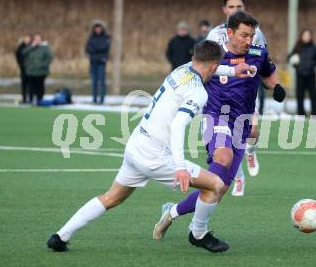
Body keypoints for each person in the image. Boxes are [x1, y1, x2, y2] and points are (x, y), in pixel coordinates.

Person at [47, 40, 231, 253]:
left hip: (136, 146)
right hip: (155, 157)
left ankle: (60, 236)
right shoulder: (199, 92)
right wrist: (180, 167)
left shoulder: (181, 69)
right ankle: (199, 234)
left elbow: (212, 66)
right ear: (214, 66)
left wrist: (236, 70)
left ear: (194, 58)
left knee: (112, 197)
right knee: (215, 185)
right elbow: (178, 125)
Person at [153, 12, 286, 240]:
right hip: (217, 117)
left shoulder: (258, 53)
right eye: (244, 35)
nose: (248, 40)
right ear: (230, 33)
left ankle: (173, 212)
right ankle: (198, 233)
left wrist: (277, 87)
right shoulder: (214, 55)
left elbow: (269, 75)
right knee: (222, 158)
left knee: (219, 189)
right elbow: (192, 72)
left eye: (251, 35)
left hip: (242, 124)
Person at [206, 0, 269, 195]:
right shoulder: (214, 35)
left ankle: (251, 151)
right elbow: (207, 63)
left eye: (239, 7)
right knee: (226, 145)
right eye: (231, 7)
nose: (235, 10)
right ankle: (238, 176)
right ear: (225, 10)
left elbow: (263, 58)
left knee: (252, 131)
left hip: (246, 89)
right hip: (222, 94)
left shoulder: (255, 32)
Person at [288, 29, 316, 116]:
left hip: (311, 75)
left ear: (310, 37)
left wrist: (311, 64)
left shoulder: (314, 48)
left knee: (313, 96)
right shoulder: (298, 47)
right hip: (300, 75)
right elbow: (290, 58)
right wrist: (295, 64)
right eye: (305, 35)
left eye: (308, 35)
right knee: (300, 95)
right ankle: (301, 114)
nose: (306, 37)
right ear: (302, 36)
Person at [22, 34, 53, 105]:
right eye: (35, 39)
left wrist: (43, 65)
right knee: (31, 87)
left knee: (40, 86)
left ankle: (40, 100)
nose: (37, 41)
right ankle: (30, 100)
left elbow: (49, 58)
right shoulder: (30, 47)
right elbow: (23, 53)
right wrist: (32, 47)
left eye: (38, 39)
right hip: (31, 71)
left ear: (41, 40)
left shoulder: (45, 48)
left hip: (41, 72)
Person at [85, 20, 111, 105]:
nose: (98, 30)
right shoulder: (91, 37)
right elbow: (88, 49)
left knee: (102, 81)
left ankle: (102, 100)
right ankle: (95, 99)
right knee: (94, 81)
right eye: (96, 28)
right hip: (93, 62)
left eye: (99, 28)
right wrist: (98, 49)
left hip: (101, 63)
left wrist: (95, 49)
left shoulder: (106, 37)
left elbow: (104, 47)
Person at [15, 35, 31, 104]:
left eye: (28, 39)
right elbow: (18, 57)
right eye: (26, 39)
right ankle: (24, 99)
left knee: (30, 85)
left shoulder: (32, 46)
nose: (27, 40)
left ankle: (31, 99)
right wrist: (22, 65)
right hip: (23, 70)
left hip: (31, 69)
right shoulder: (20, 47)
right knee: (24, 85)